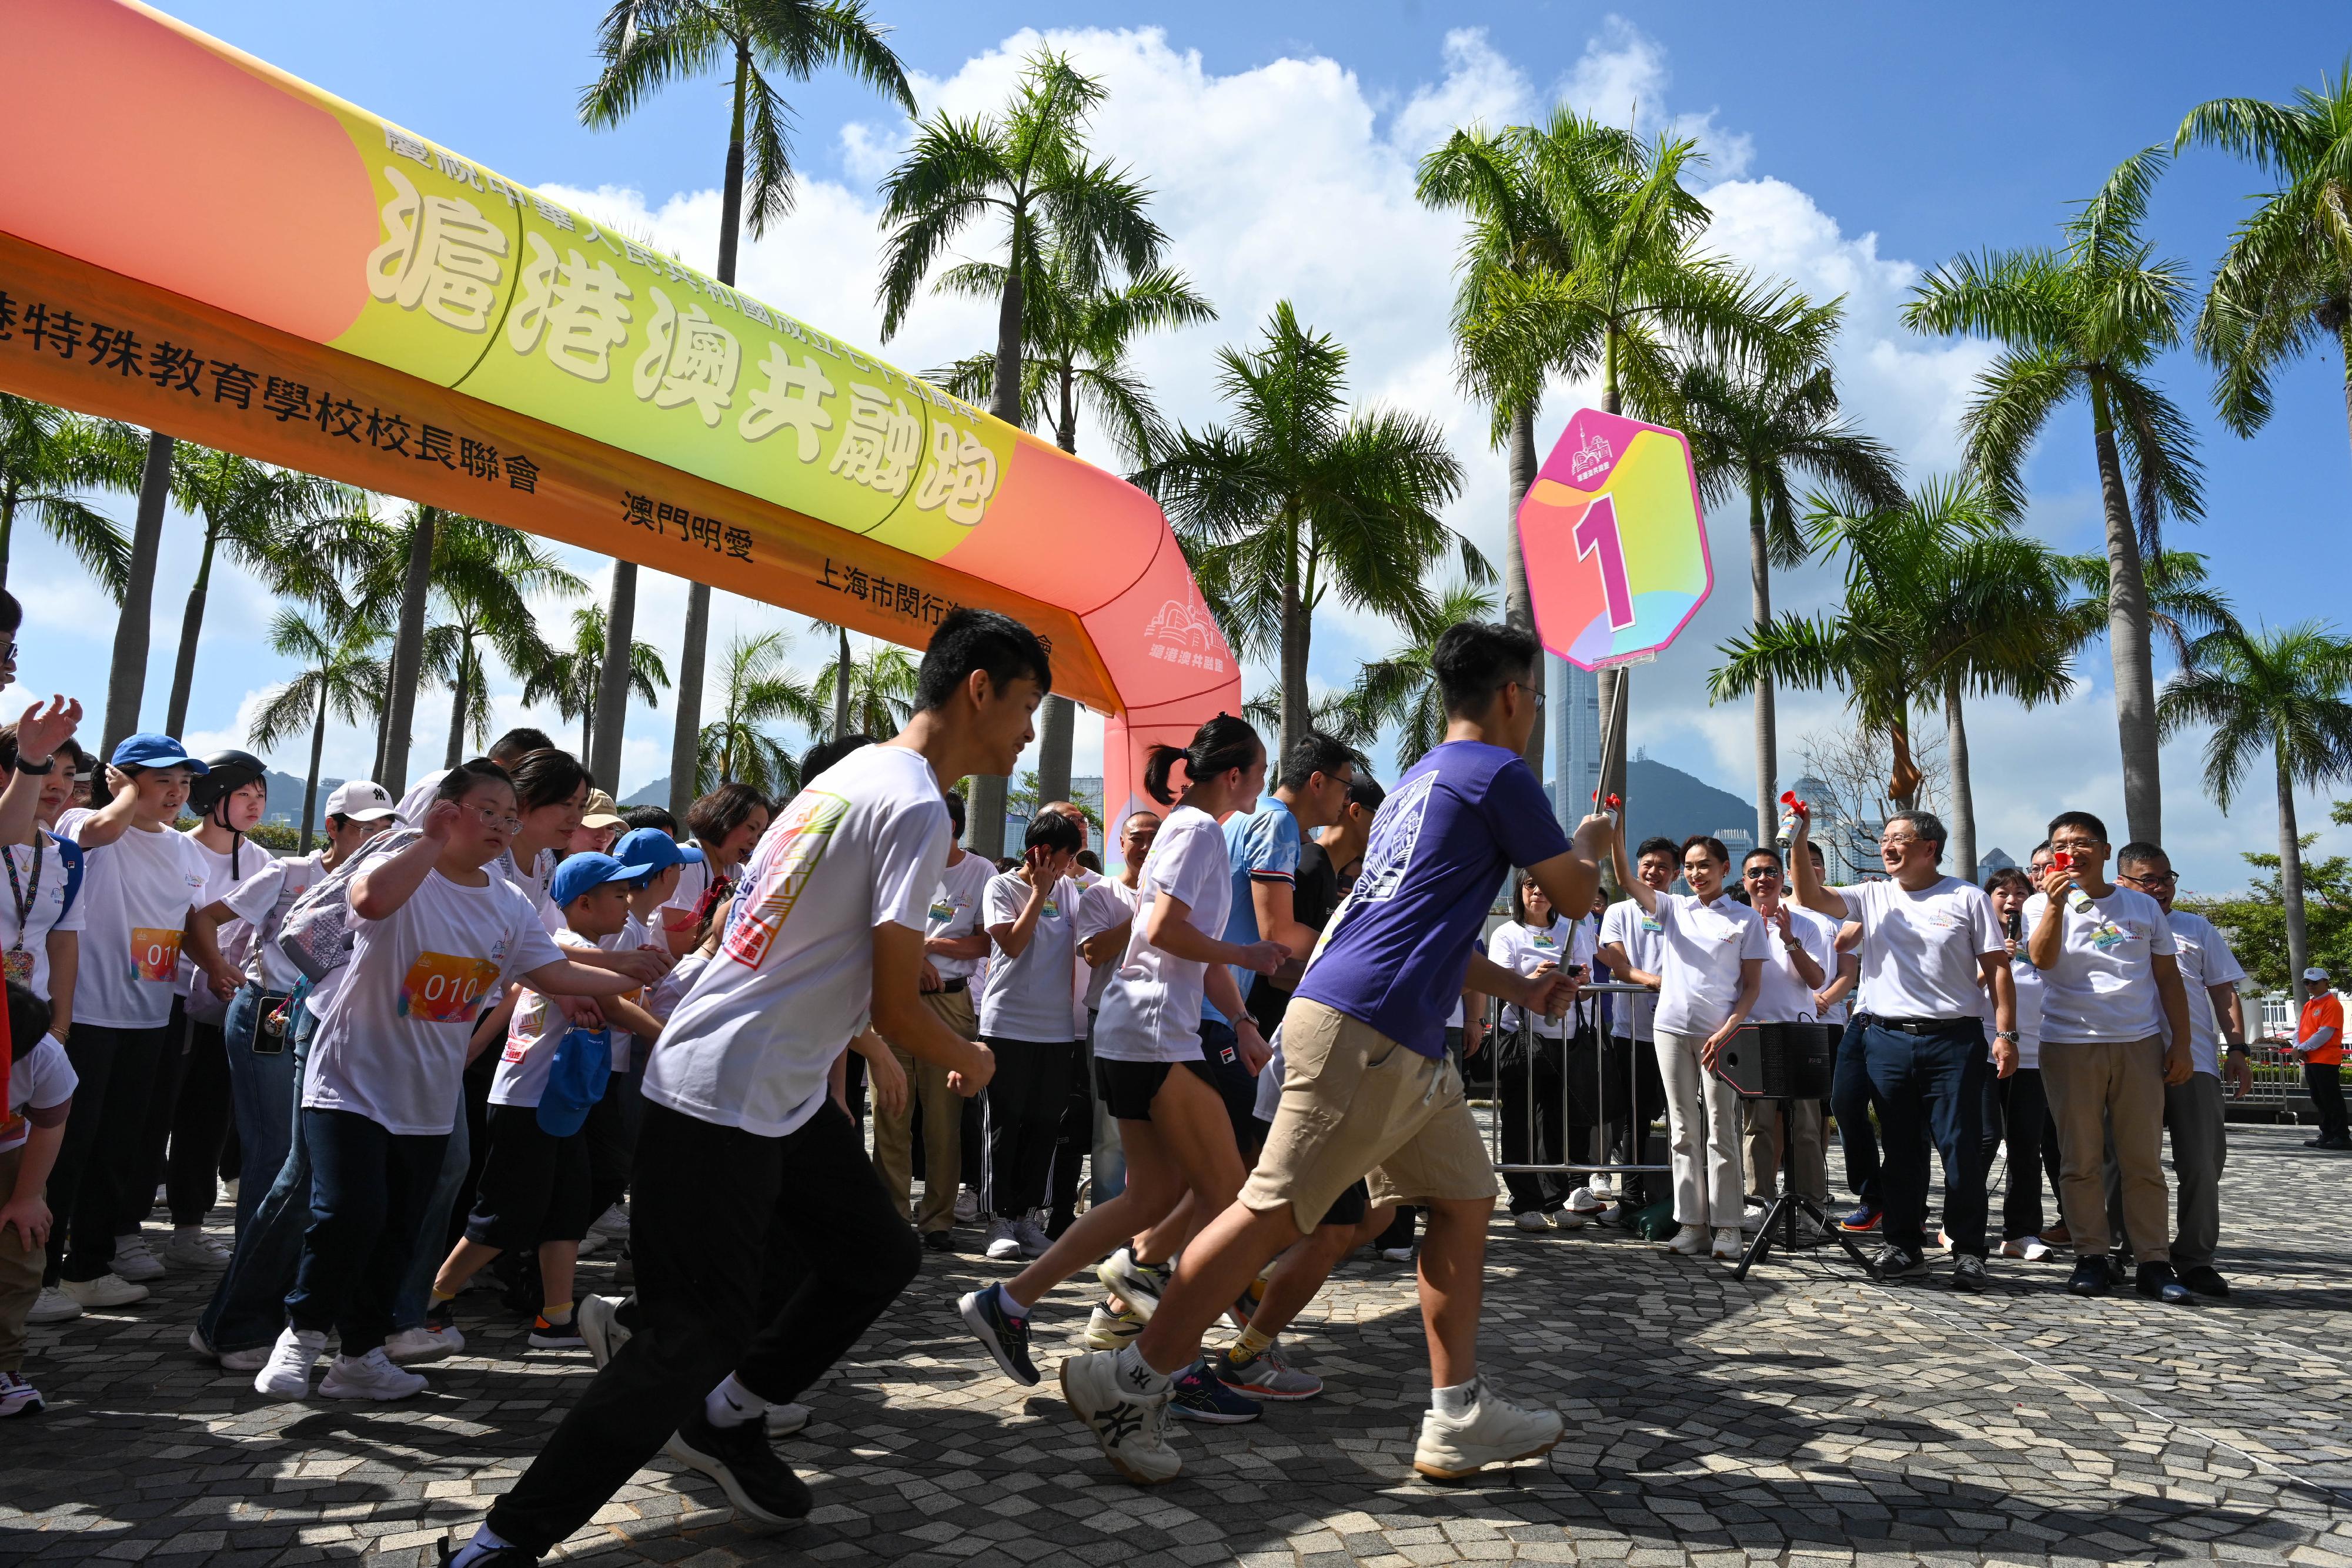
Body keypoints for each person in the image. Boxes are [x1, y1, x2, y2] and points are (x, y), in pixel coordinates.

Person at [446, 609, 1030, 1567]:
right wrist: (967, 1057)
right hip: (725, 1087)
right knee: (691, 1333)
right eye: (1027, 706)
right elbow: (897, 987)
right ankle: (502, 1539)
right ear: (980, 690)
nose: (1027, 732)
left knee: (874, 1251)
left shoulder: (847, 777)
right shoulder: (918, 804)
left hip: (776, 1088)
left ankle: (733, 1416)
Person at [1057, 620, 1605, 1487]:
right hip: (1371, 1028)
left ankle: (1457, 1410)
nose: (1533, 710)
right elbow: (1574, 888)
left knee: (1464, 1196)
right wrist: (1593, 848)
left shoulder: (1423, 778)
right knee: (1271, 1211)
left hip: (1392, 1034)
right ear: (1512, 696)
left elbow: (1424, 927)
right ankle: (1130, 1378)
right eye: (1534, 695)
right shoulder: (1500, 772)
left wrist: (1524, 989)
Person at [253, 761, 658, 1403]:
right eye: (486, 811)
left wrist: (626, 970)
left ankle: (359, 1357)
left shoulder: (508, 903)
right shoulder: (405, 868)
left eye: (508, 815)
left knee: (400, 1225)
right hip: (350, 1077)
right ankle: (301, 1336)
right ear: (446, 810)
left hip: (427, 1094)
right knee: (346, 1212)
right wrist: (431, 842)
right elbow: (369, 902)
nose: (501, 824)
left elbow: (551, 972)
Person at [954, 713, 1284, 1428]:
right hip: (1154, 1037)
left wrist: (1247, 1023)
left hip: (1140, 1034)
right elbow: (1166, 933)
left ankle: (1006, 1302)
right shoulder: (1199, 831)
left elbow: (1181, 946)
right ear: (1233, 774)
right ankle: (1174, 1361)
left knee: (1151, 1198)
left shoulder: (1186, 829)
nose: (1264, 782)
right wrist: (1248, 958)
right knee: (1228, 1197)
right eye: (1260, 771)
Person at [429, 852, 667, 1350]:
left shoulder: (575, 949)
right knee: (507, 1214)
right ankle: (430, 1297)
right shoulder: (567, 945)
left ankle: (555, 1317)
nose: (627, 904)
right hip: (527, 1102)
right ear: (583, 902)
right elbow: (613, 1002)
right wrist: (670, 1036)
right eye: (618, 895)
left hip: (557, 1102)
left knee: (566, 1206)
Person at [1789, 808, 2015, 1291]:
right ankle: (1904, 1245)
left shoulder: (1967, 897)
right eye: (1885, 838)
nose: (1888, 847)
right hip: (1887, 1039)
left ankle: (1969, 1250)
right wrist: (1799, 838)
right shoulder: (1872, 895)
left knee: (1960, 1148)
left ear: (1929, 847)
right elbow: (1809, 895)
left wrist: (2005, 1033)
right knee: (1901, 1148)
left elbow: (1998, 969)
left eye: (1900, 839)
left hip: (1952, 1038)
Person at [41, 735, 215, 1312]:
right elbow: (101, 835)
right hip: (86, 1015)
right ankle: (37, 1277)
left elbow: (188, 917)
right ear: (124, 778)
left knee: (121, 1145)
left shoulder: (186, 850)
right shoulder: (82, 819)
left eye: (184, 782)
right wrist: (121, 795)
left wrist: (215, 965)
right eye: (163, 780)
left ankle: (89, 1269)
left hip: (150, 1017)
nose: (177, 793)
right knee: (70, 1146)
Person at [188, 781, 400, 1235]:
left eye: (385, 828)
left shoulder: (389, 887)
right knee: (274, 1143)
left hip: (331, 1021)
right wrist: (216, 965)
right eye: (365, 828)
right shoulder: (290, 872)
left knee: (310, 1148)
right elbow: (204, 917)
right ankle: (253, 1263)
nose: (377, 838)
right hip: (270, 1010)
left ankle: (286, 1261)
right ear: (333, 827)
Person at [2026, 811, 2194, 1303]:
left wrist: (2179, 1044)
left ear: (2104, 851)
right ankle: (2092, 1256)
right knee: (2080, 1158)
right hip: (2069, 1042)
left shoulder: (2142, 908)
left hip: (2138, 1042)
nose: (2071, 852)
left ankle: (2153, 1261)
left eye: (2082, 843)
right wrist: (2056, 907)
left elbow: (2168, 979)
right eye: (2061, 845)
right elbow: (2041, 960)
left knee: (2142, 1159)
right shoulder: (2040, 904)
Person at [122, 749, 272, 1278]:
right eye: (244, 794)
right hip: (174, 1000)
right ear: (213, 800)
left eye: (261, 796)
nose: (255, 804)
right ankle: (126, 1230)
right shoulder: (177, 848)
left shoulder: (263, 861)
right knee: (155, 1112)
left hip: (233, 1006)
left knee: (209, 1117)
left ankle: (189, 1227)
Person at [1610, 830, 1768, 1262]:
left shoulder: (1744, 919)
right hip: (1670, 1031)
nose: (1697, 873)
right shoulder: (1673, 908)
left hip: (1721, 1036)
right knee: (1682, 1129)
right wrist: (1617, 827)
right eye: (1692, 866)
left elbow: (1752, 987)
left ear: (1724, 869)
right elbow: (1626, 878)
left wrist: (1729, 1028)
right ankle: (1692, 1223)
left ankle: (1729, 1226)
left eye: (1705, 865)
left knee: (1721, 1128)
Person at [1202, 731, 1358, 1165]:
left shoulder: (1240, 816)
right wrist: (1358, 950)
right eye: (1345, 787)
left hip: (1206, 1006)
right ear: (1318, 782)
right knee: (1241, 1171)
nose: (1347, 802)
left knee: (1203, 1178)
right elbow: (1280, 932)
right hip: (1211, 1014)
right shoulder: (1279, 822)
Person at [2113, 841, 2246, 1297]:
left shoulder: (2197, 928)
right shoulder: (2111, 926)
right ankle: (2127, 1248)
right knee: (2129, 1160)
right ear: (2122, 882)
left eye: (2167, 877)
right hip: (2132, 1059)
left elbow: (2224, 992)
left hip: (2197, 1062)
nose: (2162, 887)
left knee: (2203, 1163)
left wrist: (2238, 1050)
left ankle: (2195, 1258)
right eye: (2149, 879)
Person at [874, 788, 988, 1251]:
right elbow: (877, 927)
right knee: (892, 1108)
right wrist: (909, 958)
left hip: (950, 1000)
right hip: (894, 997)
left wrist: (929, 948)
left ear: (952, 828)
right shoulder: (897, 867)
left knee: (944, 1116)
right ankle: (892, 1214)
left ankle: (937, 1219)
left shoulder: (979, 872)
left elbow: (984, 943)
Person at [973, 810, 1084, 1261]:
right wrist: (1039, 892)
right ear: (1041, 852)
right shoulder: (1001, 886)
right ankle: (998, 1218)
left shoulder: (1071, 890)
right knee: (1005, 1123)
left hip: (1056, 1029)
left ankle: (1027, 1217)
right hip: (1007, 1025)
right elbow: (1013, 944)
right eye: (1065, 856)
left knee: (1043, 1126)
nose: (1069, 865)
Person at [1738, 848, 1840, 1229]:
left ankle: (1812, 1207)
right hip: (1752, 1032)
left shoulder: (1808, 923)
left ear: (1783, 878)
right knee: (1758, 1127)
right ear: (1745, 880)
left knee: (1807, 1127)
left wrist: (1789, 939)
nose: (1763, 878)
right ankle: (1758, 1201)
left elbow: (1817, 981)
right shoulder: (1737, 922)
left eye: (1771, 871)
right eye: (1755, 872)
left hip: (1800, 1033)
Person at [1486, 871, 1582, 1229]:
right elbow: (1498, 982)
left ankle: (1556, 1199)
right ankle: (1524, 1201)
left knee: (1557, 1122)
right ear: (1520, 892)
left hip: (1566, 1035)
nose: (1539, 892)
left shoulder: (1572, 930)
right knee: (1519, 1120)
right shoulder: (1506, 933)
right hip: (1522, 1039)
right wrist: (1532, 979)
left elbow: (1586, 991)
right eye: (1530, 886)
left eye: (1546, 886)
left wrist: (1580, 980)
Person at [1596, 837, 1679, 1216]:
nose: (1654, 872)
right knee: (1635, 1117)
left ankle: (1685, 1199)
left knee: (1684, 1116)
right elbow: (1619, 965)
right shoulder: (1618, 912)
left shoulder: (1684, 908)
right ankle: (1630, 1196)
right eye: (1647, 864)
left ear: (1676, 874)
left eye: (1663, 866)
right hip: (1632, 1031)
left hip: (1682, 1029)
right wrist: (1655, 982)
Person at [2, 978, 74, 1416]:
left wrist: (27, 1195)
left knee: (19, 1251)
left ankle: (3, 1364)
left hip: (12, 1152)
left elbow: (50, 1123)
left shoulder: (44, 1056)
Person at [1979, 868, 2054, 1261]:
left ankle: (2021, 1232)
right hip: (1984, 1052)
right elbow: (1957, 989)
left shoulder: (2042, 940)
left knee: (2027, 1145)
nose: (2012, 900)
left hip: (2032, 1056)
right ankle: (1963, 1224)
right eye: (2003, 893)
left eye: (2020, 892)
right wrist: (1991, 962)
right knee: (1984, 1139)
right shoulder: (1972, 936)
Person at [661, 783, 771, 957]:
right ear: (725, 818)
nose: (754, 842)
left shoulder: (737, 871)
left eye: (760, 835)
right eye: (751, 828)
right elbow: (680, 946)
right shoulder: (686, 860)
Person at [2292, 969, 2345, 1148]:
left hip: (2326, 1058)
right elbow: (2299, 1029)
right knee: (2318, 1098)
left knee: (2331, 1098)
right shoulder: (2310, 1004)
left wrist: (2302, 1048)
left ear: (2326, 983)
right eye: (2307, 982)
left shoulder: (2332, 1004)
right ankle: (2327, 1133)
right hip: (2311, 1058)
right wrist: (2297, 1046)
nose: (2310, 985)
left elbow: (2326, 1033)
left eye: (2314, 982)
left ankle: (2342, 1136)